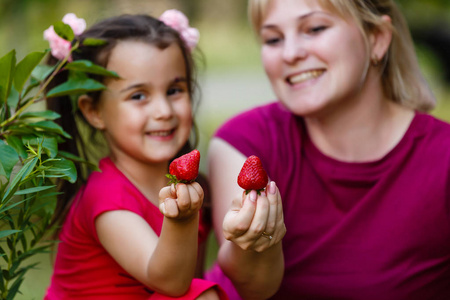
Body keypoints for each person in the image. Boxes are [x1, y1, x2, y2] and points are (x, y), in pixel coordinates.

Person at [206, 0, 450, 299]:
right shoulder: (244, 141)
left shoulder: (442, 159)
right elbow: (253, 288)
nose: (291, 53)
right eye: (273, 39)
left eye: (315, 29)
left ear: (377, 39)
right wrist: (257, 245)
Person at [43, 11, 228, 300]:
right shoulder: (106, 197)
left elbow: (191, 281)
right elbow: (171, 283)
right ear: (94, 111)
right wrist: (182, 220)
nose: (164, 111)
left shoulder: (193, 192)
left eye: (174, 90)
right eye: (138, 96)